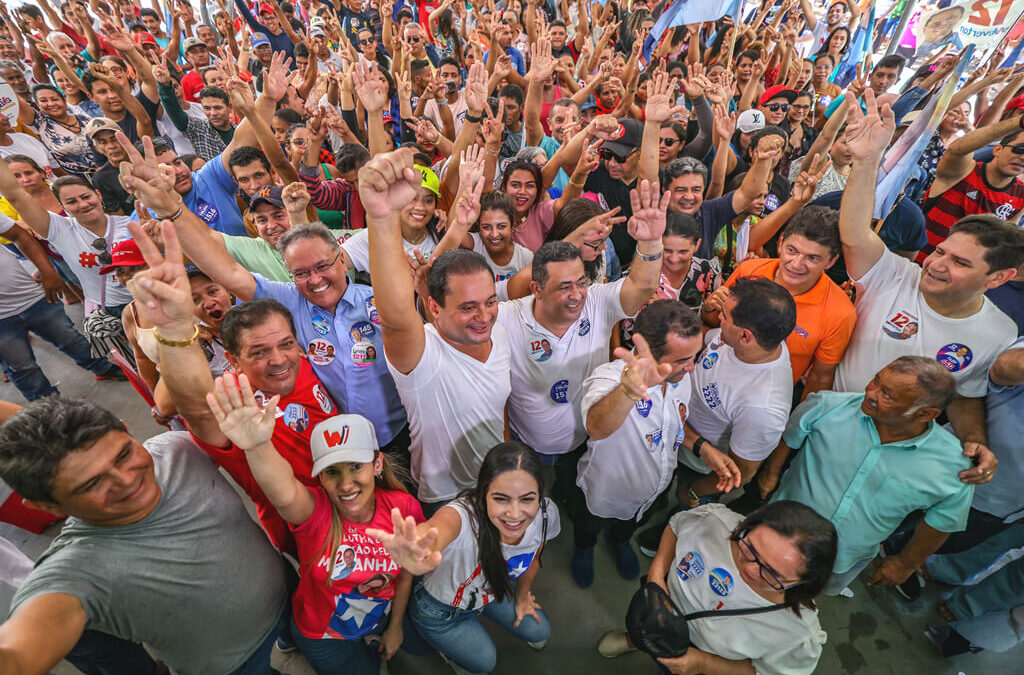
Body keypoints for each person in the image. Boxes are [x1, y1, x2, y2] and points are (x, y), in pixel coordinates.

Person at [0, 397, 290, 675]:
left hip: (295, 595)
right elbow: (18, 656)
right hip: (233, 667)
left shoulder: (176, 448)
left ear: (126, 428)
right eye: (92, 483)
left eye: (123, 454)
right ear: (46, 506)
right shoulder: (72, 574)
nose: (126, 480)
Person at [835, 90, 1021, 485]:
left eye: (959, 263)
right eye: (940, 251)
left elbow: (966, 393)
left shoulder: (999, 332)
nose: (936, 264)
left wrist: (974, 438)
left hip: (888, 463)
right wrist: (867, 162)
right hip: (825, 426)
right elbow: (853, 234)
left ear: (997, 279)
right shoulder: (897, 273)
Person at [122, 217, 339, 553]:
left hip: (363, 503)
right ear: (234, 361)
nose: (279, 359)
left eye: (285, 344)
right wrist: (177, 330)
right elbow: (193, 408)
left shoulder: (309, 363)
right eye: (259, 353)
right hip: (310, 534)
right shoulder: (234, 407)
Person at [207, 377, 420, 675]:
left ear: (378, 464)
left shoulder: (403, 507)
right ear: (319, 477)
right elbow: (283, 491)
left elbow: (407, 571)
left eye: (356, 466)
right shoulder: (315, 513)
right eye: (332, 471)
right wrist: (257, 446)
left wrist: (396, 625)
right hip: (323, 636)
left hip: (380, 616)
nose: (345, 485)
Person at [364, 147, 511, 511]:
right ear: (433, 307)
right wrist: (382, 217)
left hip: (496, 481)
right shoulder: (421, 357)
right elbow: (396, 314)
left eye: (490, 302)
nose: (484, 316)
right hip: (442, 498)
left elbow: (499, 407)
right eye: (467, 307)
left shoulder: (503, 330)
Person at [768, 357, 974, 597]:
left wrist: (906, 563)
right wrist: (771, 473)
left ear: (925, 414)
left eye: (886, 394)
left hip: (839, 560)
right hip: (775, 530)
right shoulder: (828, 406)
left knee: (799, 600)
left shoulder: (953, 467)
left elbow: (942, 523)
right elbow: (791, 436)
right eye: (876, 380)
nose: (870, 392)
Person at [572, 300, 741, 587]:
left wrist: (702, 447)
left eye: (694, 356)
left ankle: (620, 540)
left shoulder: (680, 377)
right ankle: (584, 549)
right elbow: (597, 427)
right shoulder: (609, 379)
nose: (691, 367)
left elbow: (672, 420)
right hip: (606, 491)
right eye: (681, 360)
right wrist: (629, 389)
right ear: (648, 352)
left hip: (652, 490)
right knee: (589, 527)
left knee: (629, 525)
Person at [369, 441, 560, 674]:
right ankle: (452, 652)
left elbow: (533, 560)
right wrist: (416, 548)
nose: (515, 514)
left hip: (491, 591)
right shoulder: (461, 515)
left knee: (541, 631)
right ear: (483, 493)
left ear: (540, 495)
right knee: (485, 662)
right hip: (440, 611)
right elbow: (438, 529)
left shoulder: (546, 515)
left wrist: (521, 598)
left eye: (527, 499)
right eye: (501, 498)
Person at [598, 500, 837, 675]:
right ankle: (633, 641)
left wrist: (703, 663)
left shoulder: (797, 633)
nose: (751, 570)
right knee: (645, 629)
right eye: (750, 549)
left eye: (772, 573)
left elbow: (764, 671)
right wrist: (656, 575)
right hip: (662, 604)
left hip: (701, 657)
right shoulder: (716, 522)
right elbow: (676, 527)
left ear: (806, 582)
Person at [703, 207, 856, 395]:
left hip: (766, 399)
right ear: (780, 243)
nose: (797, 264)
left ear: (831, 262)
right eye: (792, 250)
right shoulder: (749, 270)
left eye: (812, 258)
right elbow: (714, 322)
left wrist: (798, 422)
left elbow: (820, 377)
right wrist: (710, 307)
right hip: (711, 377)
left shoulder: (840, 313)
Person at [918, 115, 1024, 263]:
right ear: (997, 150)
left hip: (955, 280)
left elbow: (1004, 243)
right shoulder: (964, 171)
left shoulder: (1021, 196)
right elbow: (957, 149)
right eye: (1020, 149)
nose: (1023, 157)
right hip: (917, 264)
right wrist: (1019, 121)